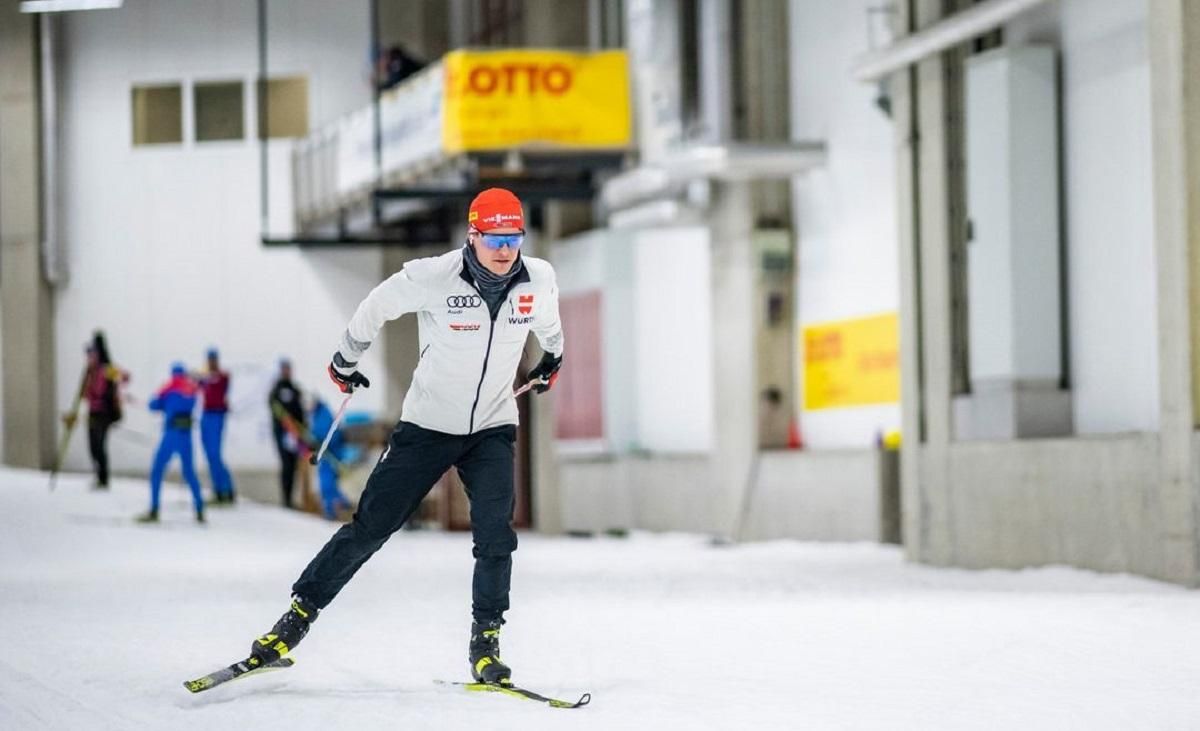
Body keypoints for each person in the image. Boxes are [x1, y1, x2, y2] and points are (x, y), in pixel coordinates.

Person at [245, 188, 563, 685]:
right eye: (495, 238)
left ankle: (486, 641)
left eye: (514, 237)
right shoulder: (433, 276)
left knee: (496, 534)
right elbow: (377, 306)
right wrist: (345, 360)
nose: (506, 250)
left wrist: (552, 357)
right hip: (427, 426)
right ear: (473, 236)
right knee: (371, 527)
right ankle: (296, 618)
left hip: (492, 428)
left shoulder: (537, 278)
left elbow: (547, 321)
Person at [139, 363, 205, 524]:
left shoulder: (169, 389)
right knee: (189, 473)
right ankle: (200, 509)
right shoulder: (191, 390)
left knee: (157, 470)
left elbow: (153, 405)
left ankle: (154, 509)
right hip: (186, 437)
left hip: (170, 436)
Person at [76, 332, 127, 489]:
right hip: (93, 411)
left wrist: (118, 377)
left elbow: (124, 377)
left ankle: (103, 478)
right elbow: (84, 393)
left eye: (92, 353)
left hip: (104, 413)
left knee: (99, 445)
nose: (90, 356)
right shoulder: (90, 371)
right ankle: (99, 475)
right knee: (93, 445)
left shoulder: (106, 369)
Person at [198, 347, 235, 504]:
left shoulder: (221, 376)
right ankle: (218, 489)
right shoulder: (204, 377)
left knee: (215, 454)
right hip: (206, 415)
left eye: (214, 359)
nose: (211, 362)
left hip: (217, 415)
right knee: (209, 455)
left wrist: (207, 376)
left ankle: (225, 489)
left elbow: (222, 379)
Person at [269, 359, 307, 509]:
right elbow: (275, 410)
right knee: (286, 464)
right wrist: (285, 422)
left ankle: (291, 497)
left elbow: (300, 412)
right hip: (282, 434)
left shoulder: (295, 389)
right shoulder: (275, 391)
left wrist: (301, 429)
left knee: (293, 465)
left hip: (295, 434)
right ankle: (286, 498)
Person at [310, 398, 351, 520]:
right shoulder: (320, 414)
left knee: (327, 483)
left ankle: (333, 508)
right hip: (329, 453)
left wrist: (317, 440)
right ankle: (340, 503)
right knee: (330, 482)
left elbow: (326, 433)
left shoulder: (323, 415)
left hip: (330, 453)